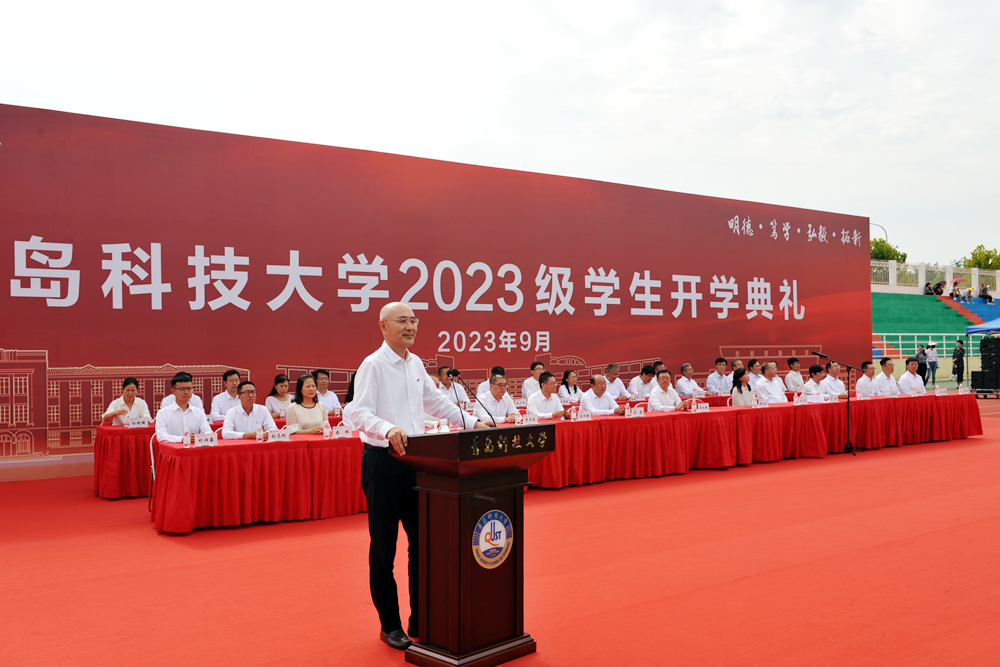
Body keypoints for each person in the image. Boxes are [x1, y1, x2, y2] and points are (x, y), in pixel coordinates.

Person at [351, 303, 487, 650]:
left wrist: (473, 424)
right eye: (402, 320)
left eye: (414, 320)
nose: (410, 326)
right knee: (384, 548)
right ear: (383, 326)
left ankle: (421, 617)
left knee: (422, 545)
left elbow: (438, 403)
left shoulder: (415, 365)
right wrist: (388, 428)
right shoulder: (373, 365)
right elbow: (357, 412)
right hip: (383, 462)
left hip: (417, 462)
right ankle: (390, 625)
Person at [154, 372, 213, 443]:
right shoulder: (163, 413)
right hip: (173, 449)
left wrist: (199, 437)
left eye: (189, 388)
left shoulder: (198, 412)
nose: (186, 392)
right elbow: (161, 436)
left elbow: (209, 432)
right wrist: (182, 439)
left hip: (194, 448)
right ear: (173, 391)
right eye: (182, 389)